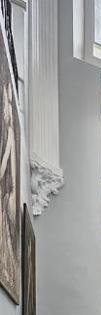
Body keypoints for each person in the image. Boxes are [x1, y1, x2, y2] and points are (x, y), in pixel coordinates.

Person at [0, 80, 17, 289]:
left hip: (8, 193)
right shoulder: (9, 131)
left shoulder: (10, 132)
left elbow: (3, 166)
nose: (5, 110)